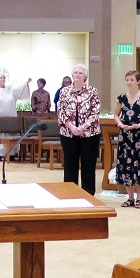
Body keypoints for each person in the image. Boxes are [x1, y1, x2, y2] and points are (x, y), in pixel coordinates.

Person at [57, 63, 101, 195]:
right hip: (68, 133)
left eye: (80, 73)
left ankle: (88, 194)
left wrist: (83, 127)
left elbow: (95, 111)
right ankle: (70, 193)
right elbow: (61, 111)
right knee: (70, 164)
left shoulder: (92, 91)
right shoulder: (64, 91)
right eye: (75, 72)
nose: (77, 75)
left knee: (88, 164)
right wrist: (71, 126)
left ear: (85, 77)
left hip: (89, 133)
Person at [114, 70, 140, 209]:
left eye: (132, 79)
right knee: (125, 165)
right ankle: (130, 198)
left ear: (138, 81)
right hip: (125, 135)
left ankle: (139, 198)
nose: (129, 82)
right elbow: (116, 114)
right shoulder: (121, 98)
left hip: (139, 136)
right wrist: (120, 124)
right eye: (127, 79)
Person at [0, 73, 31, 159]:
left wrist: (26, 83)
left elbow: (19, 89)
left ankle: (11, 153)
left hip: (10, 116)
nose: (3, 79)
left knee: (10, 134)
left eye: (4, 78)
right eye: (1, 78)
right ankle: (0, 154)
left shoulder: (10, 89)